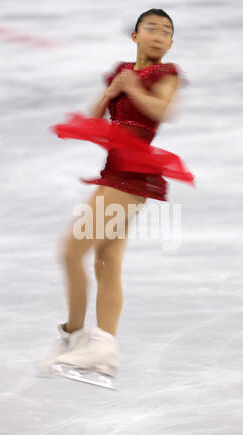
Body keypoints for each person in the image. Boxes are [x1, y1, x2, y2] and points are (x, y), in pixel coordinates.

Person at [40, 9, 195, 378]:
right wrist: (111, 91)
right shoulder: (121, 72)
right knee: (105, 262)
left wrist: (132, 88)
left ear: (171, 43)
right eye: (151, 28)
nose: (159, 35)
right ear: (136, 36)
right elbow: (96, 120)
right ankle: (105, 349)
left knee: (70, 251)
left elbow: (163, 111)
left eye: (166, 31)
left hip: (131, 176)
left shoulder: (166, 74)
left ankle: (73, 336)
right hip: (114, 172)